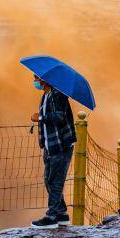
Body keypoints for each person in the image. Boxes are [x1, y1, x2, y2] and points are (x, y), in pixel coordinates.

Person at [30, 76, 76, 229]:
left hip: (61, 145)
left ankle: (51, 217)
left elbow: (60, 117)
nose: (35, 80)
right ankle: (61, 214)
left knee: (55, 181)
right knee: (49, 180)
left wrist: (40, 117)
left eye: (37, 78)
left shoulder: (58, 95)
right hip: (50, 145)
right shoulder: (46, 95)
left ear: (45, 79)